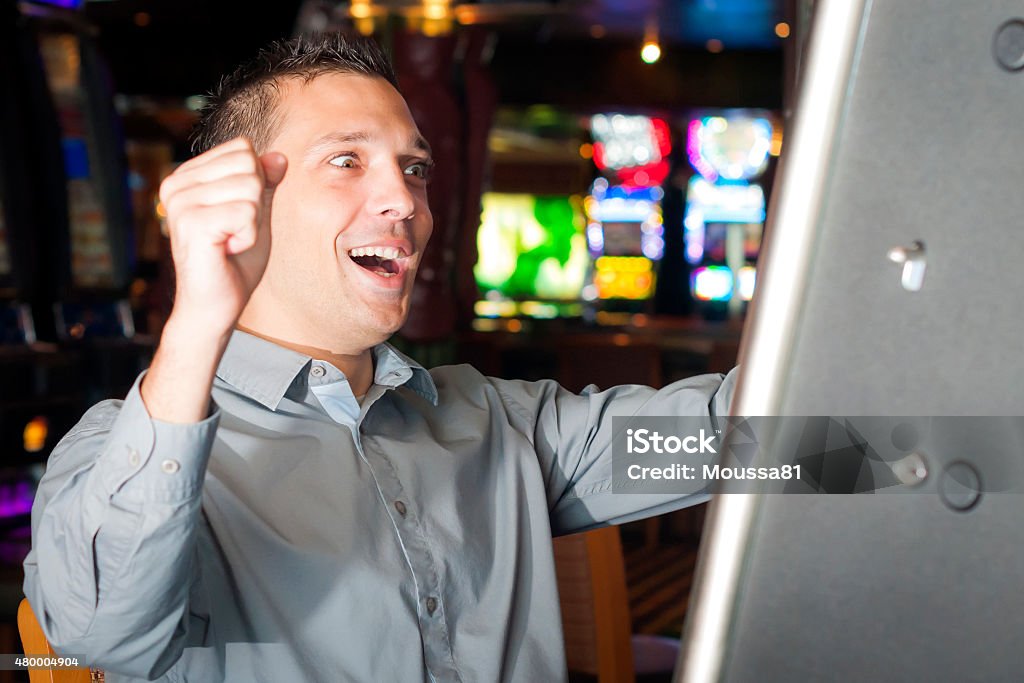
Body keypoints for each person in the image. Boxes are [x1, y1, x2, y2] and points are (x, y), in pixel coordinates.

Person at [23, 34, 738, 682]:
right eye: (346, 160)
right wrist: (197, 322)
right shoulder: (122, 446)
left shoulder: (499, 424)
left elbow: (767, 444)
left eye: (415, 167)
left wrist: (845, 427)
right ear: (243, 198)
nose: (404, 199)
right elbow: (103, 636)